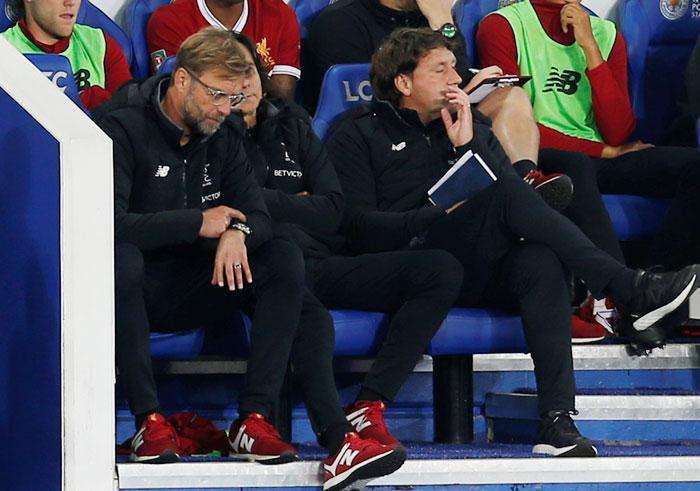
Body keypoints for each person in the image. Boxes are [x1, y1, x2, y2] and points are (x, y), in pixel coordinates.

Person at [327, 27, 700, 457]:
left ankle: (557, 421)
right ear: (404, 83)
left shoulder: (471, 125)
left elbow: (514, 204)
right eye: (440, 69)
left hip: (465, 262)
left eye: (454, 66)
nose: (455, 78)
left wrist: (467, 147)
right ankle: (630, 289)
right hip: (400, 262)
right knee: (507, 191)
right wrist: (432, 214)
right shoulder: (355, 132)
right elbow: (356, 227)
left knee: (538, 259)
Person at [94, 28, 405, 489]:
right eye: (217, 95)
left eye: (235, 97)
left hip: (204, 281)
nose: (227, 109)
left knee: (281, 254)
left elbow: (256, 213)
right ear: (182, 81)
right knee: (121, 259)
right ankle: (147, 420)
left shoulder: (221, 131)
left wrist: (237, 230)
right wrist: (198, 222)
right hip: (135, 286)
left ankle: (258, 419)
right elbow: (107, 224)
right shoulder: (120, 126)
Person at [228, 31, 464, 448]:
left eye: (249, 71)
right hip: (260, 267)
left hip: (324, 261)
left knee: (441, 267)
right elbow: (230, 203)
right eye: (229, 75)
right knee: (308, 309)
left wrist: (267, 204)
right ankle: (331, 439)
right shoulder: (210, 138)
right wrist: (290, 203)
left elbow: (333, 210)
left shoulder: (293, 125)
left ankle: (369, 405)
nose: (243, 83)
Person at [477, 0, 700, 270]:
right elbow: (508, 123)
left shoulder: (606, 34)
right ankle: (615, 295)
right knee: (576, 164)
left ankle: (660, 280)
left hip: (601, 155)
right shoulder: (502, 25)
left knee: (694, 166)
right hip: (539, 157)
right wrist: (606, 152)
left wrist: (591, 49)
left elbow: (617, 132)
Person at [306, 0, 573, 213]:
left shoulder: (434, 13)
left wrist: (443, 22)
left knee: (571, 160)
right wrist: (464, 94)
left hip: (445, 126)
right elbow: (381, 103)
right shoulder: (340, 22)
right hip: (390, 139)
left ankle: (527, 180)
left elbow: (457, 79)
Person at [147, 0, 300, 100]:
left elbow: (282, 96)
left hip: (261, 130)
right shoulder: (170, 21)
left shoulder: (280, 13)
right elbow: (181, 100)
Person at [2, 0, 132, 110]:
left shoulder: (101, 44)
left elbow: (129, 115)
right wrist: (86, 103)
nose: (70, 3)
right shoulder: (4, 51)